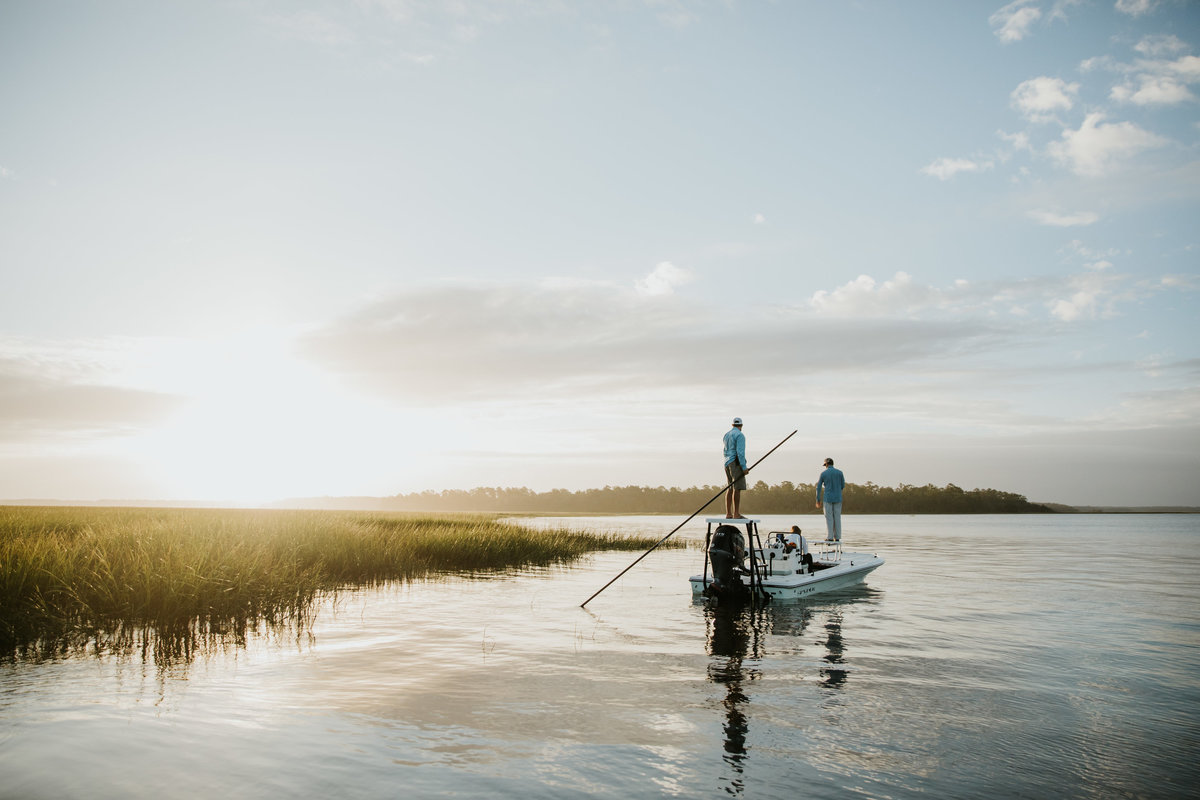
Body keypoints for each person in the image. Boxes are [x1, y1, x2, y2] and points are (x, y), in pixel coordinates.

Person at [722, 417, 748, 519]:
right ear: (741, 426)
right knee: (737, 488)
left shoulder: (726, 435)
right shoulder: (740, 435)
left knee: (730, 487)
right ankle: (736, 513)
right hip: (735, 462)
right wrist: (744, 467)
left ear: (732, 425)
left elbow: (725, 450)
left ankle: (728, 513)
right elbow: (740, 453)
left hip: (726, 462)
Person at [815, 457, 845, 542]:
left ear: (826, 464)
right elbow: (843, 485)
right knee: (837, 517)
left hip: (827, 498)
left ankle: (830, 537)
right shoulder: (840, 473)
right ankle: (837, 537)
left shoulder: (823, 473)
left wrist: (818, 499)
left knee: (829, 518)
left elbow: (818, 487)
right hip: (838, 498)